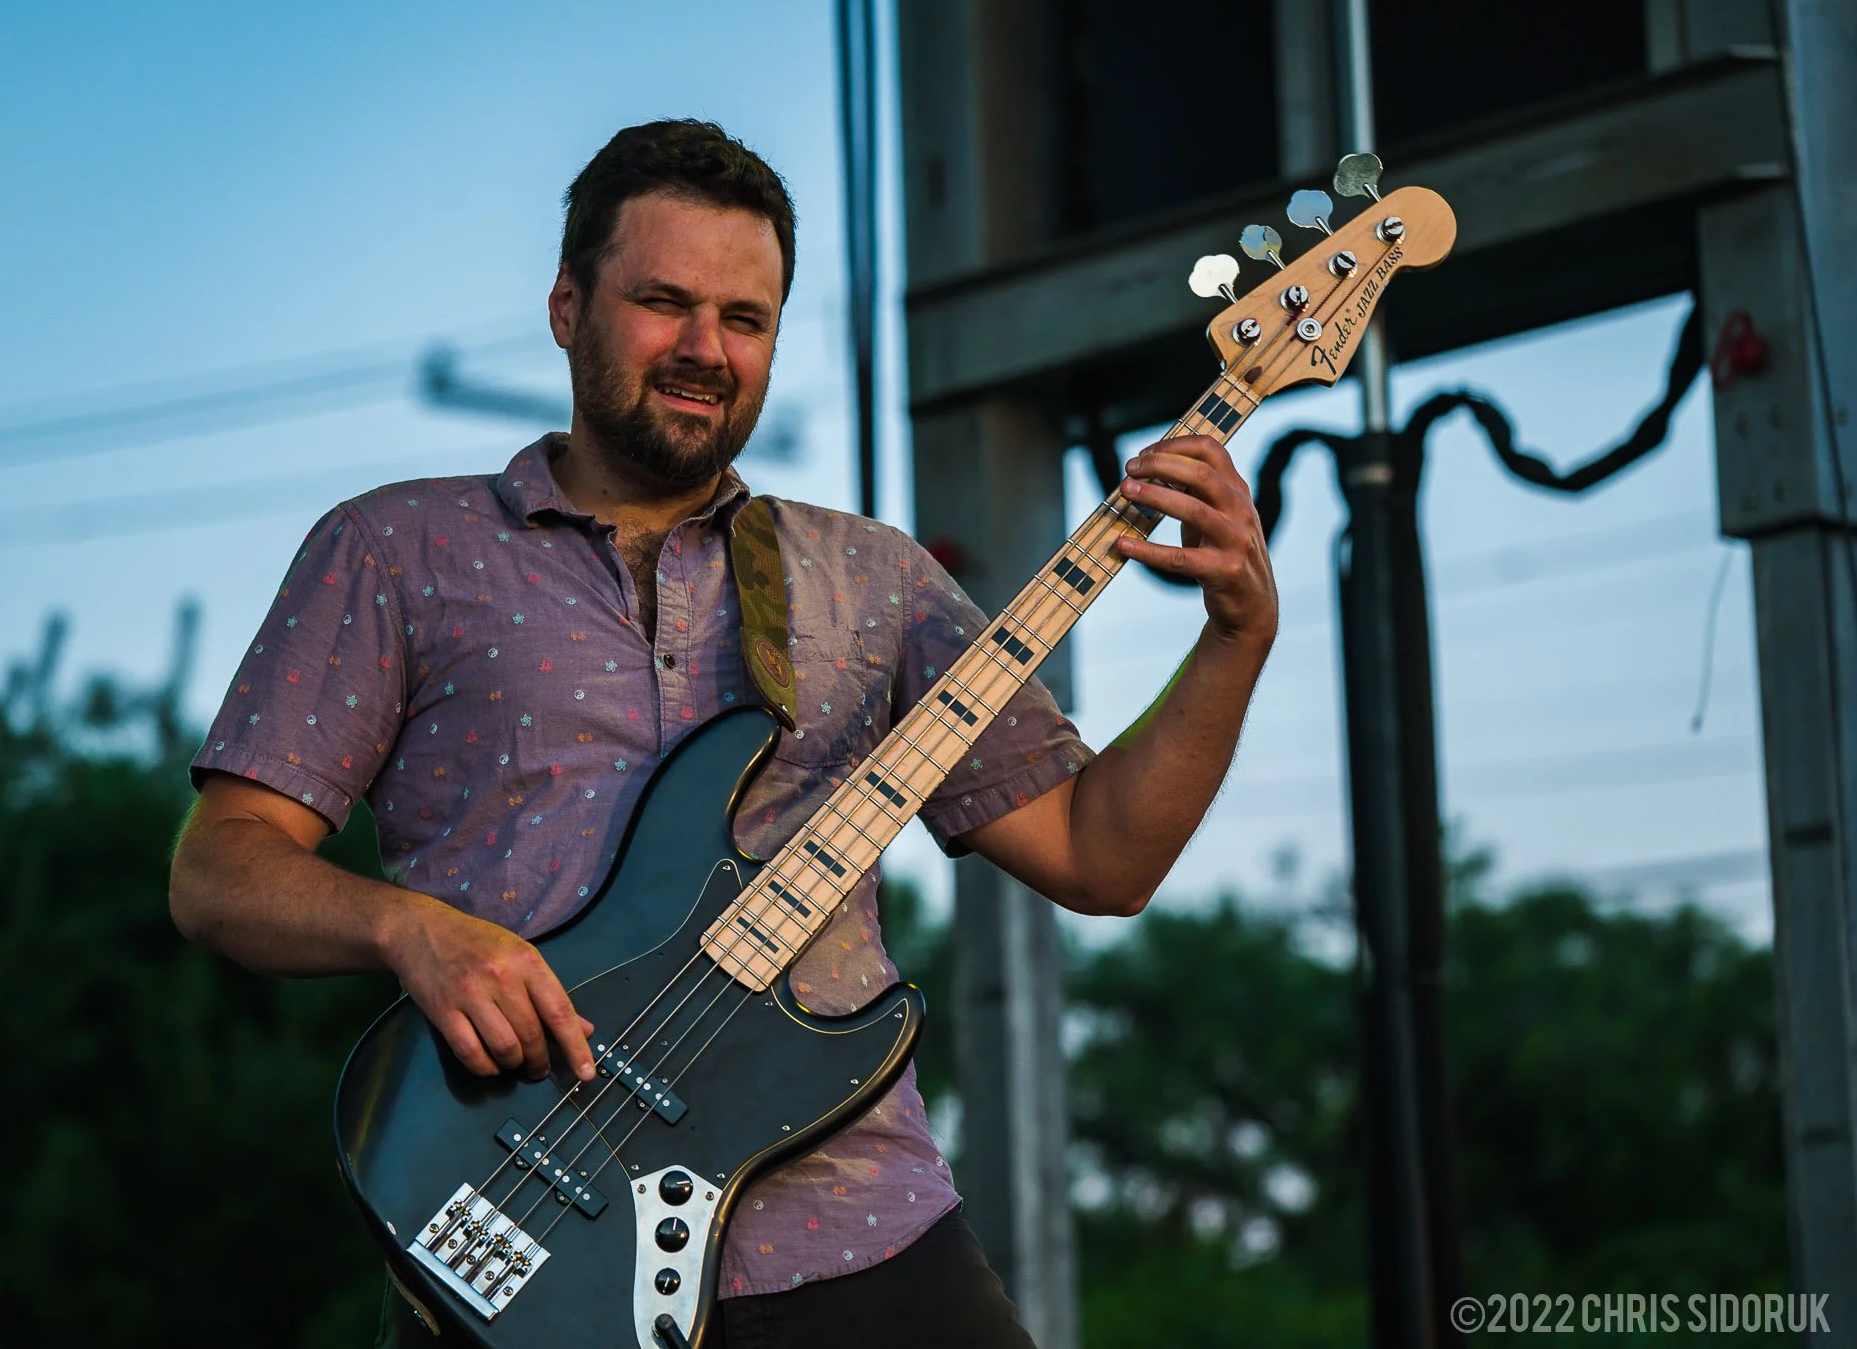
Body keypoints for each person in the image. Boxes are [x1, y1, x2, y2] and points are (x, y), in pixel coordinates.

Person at [168, 118, 1277, 1348]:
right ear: (564, 305)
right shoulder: (396, 548)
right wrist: (407, 928)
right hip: (521, 1234)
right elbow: (219, 869)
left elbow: (1098, 855)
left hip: (858, 1232)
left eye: (743, 320)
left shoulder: (870, 576)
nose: (705, 349)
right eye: (662, 302)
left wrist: (1233, 636)